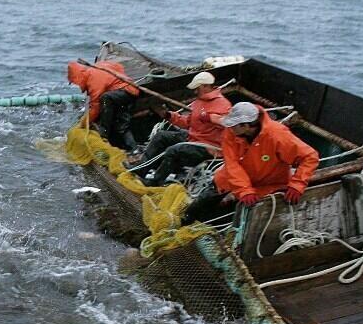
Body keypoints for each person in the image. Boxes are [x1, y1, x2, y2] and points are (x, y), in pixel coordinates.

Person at [181, 101, 320, 224]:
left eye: (234, 125)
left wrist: (297, 184)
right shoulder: (231, 133)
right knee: (196, 209)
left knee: (230, 220)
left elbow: (309, 157)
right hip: (228, 182)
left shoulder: (277, 135)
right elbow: (232, 164)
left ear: (247, 125)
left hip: (264, 188)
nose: (230, 127)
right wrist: (244, 190)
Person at [135, 71, 232, 186]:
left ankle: (155, 181)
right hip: (192, 138)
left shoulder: (224, 104)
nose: (195, 91)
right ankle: (140, 169)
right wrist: (169, 115)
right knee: (161, 136)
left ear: (206, 86)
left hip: (208, 147)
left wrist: (210, 117)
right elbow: (187, 122)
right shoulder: (198, 102)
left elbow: (228, 124)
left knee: (173, 150)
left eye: (197, 88)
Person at [67, 60, 141, 150]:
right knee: (121, 125)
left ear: (78, 76)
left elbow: (95, 106)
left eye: (75, 82)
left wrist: (83, 123)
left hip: (126, 92)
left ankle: (104, 132)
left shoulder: (93, 78)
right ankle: (134, 149)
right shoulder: (97, 67)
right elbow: (119, 66)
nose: (77, 84)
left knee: (105, 98)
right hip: (127, 92)